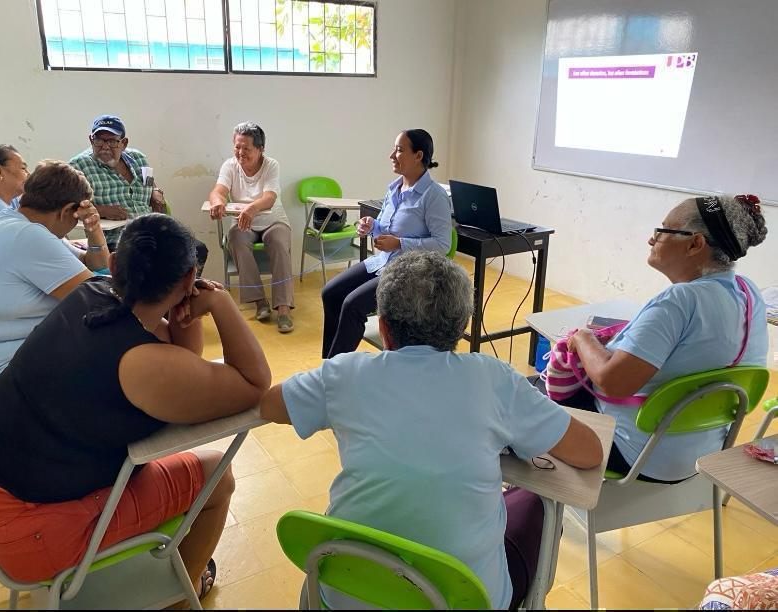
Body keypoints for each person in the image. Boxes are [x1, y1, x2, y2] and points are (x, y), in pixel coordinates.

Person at [0, 214, 271, 604]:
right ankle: (181, 598)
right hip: (24, 531)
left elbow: (182, 361)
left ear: (115, 263)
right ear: (190, 278)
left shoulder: (92, 293)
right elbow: (255, 384)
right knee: (218, 477)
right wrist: (219, 302)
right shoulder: (144, 364)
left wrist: (185, 307)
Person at [260, 251, 603, 610]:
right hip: (462, 600)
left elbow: (270, 404)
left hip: (345, 593)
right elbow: (590, 452)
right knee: (536, 504)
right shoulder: (494, 379)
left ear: (384, 329)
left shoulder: (343, 374)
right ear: (462, 326)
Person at [537, 194, 768, 483]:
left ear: (695, 244)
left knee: (532, 396)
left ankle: (537, 495)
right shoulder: (749, 293)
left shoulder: (679, 301)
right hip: (702, 453)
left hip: (638, 454)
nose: (652, 239)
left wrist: (584, 338)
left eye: (662, 231)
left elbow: (612, 381)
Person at [0, 160, 107, 399]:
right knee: (118, 344)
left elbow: (94, 264)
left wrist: (93, 230)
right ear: (66, 211)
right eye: (76, 218)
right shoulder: (29, 235)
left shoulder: (15, 220)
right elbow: (99, 298)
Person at [321, 129, 452, 358]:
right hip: (383, 262)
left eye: (399, 150)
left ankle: (336, 369)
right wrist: (371, 225)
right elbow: (384, 225)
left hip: (410, 272)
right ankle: (330, 362)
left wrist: (399, 243)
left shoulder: (434, 196)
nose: (392, 155)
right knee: (330, 293)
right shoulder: (394, 188)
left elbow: (442, 245)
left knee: (352, 306)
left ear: (418, 156)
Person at [70, 114, 208, 271]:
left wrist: (155, 191)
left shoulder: (138, 158)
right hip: (116, 239)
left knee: (197, 250)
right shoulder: (79, 165)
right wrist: (102, 210)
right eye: (99, 140)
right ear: (91, 140)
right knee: (153, 261)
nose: (105, 146)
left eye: (112, 141)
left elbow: (149, 182)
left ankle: (182, 287)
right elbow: (69, 207)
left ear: (124, 143)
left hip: (151, 231)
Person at [208, 121, 294, 333]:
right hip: (243, 222)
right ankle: (259, 302)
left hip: (273, 220)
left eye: (246, 148)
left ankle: (283, 308)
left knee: (279, 243)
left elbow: (270, 197)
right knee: (236, 239)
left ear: (260, 149)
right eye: (237, 147)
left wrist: (252, 208)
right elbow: (218, 191)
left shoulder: (271, 165)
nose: (240, 152)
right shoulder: (230, 166)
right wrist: (217, 202)